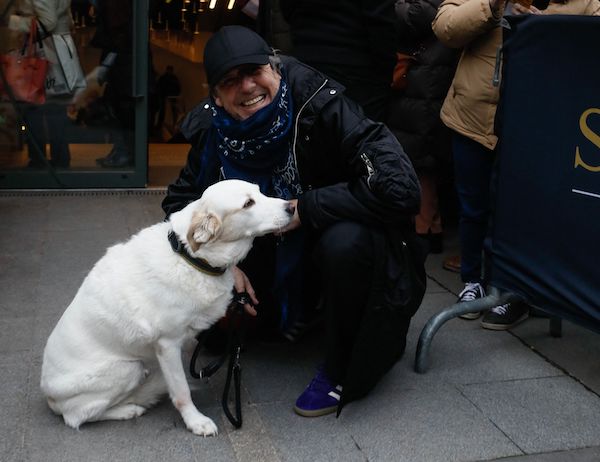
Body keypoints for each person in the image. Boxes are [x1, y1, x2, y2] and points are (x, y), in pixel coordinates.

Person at [162, 26, 426, 417]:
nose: (247, 86)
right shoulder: (212, 128)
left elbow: (401, 187)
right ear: (215, 96)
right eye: (230, 81)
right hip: (266, 260)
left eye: (255, 72)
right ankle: (282, 317)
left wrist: (307, 208)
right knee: (214, 324)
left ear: (276, 70)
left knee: (346, 241)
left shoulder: (322, 105)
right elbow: (179, 205)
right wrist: (224, 268)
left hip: (335, 248)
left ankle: (340, 367)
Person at [432, 0, 600, 328]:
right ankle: (473, 280)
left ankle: (515, 292)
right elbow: (446, 28)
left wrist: (551, 29)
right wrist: (493, 5)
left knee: (525, 211)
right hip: (475, 115)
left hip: (538, 123)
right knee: (473, 205)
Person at [387, 0, 460, 254]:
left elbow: (422, 14)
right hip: (427, 67)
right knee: (422, 153)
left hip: (428, 69)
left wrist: (394, 4)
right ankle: (429, 226)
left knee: (422, 154)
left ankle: (424, 227)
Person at [279, 0, 397, 122]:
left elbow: (287, 9)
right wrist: (388, 68)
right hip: (356, 65)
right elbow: (381, 22)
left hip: (306, 58)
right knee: (363, 134)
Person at [8, 0, 74, 168]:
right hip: (55, 51)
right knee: (54, 110)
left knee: (34, 111)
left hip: (44, 55)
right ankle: (59, 160)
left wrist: (13, 21)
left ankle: (40, 160)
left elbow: (48, 22)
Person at [154, 65, 181, 136]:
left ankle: (172, 125)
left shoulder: (168, 78)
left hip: (170, 96)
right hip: (166, 96)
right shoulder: (169, 78)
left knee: (172, 111)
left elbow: (177, 87)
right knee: (164, 111)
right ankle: (162, 125)